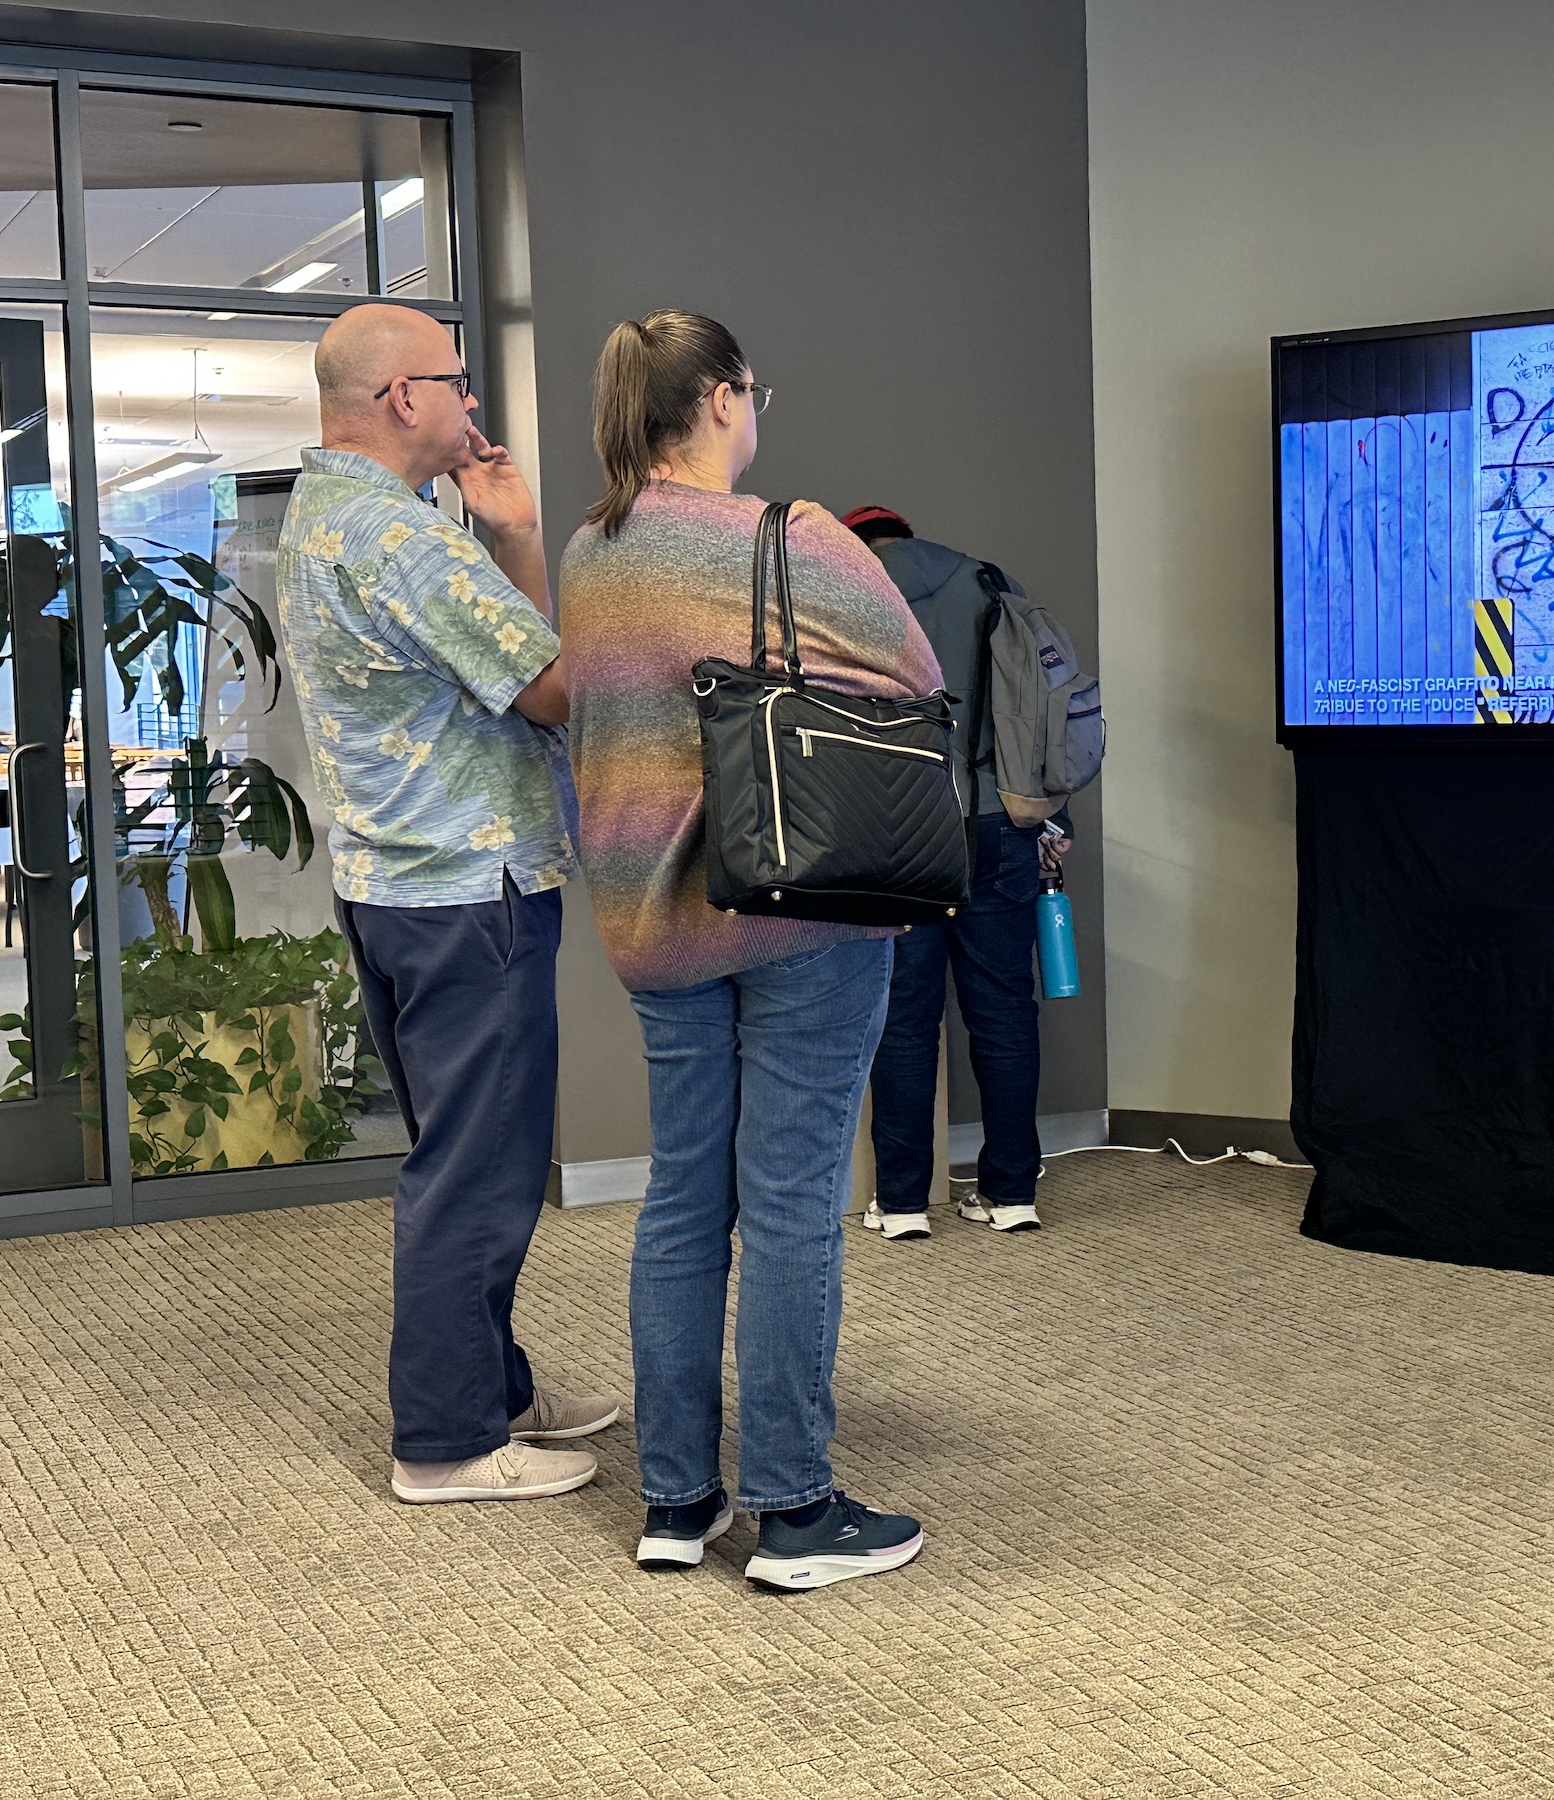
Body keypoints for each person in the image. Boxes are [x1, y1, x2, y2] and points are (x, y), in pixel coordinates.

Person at [560, 310, 937, 1589]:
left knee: (682, 1199)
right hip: (801, 909)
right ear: (721, 400)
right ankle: (794, 1508)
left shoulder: (591, 554)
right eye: (752, 390)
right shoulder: (802, 538)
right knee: (789, 1208)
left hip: (653, 927)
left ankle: (677, 1502)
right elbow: (922, 681)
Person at [278, 303, 615, 1506]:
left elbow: (511, 654)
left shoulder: (337, 516)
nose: (474, 406)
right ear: (403, 397)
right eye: (459, 382)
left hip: (399, 887)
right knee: (477, 1169)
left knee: (465, 1152)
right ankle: (447, 1440)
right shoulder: (398, 543)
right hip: (468, 890)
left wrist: (510, 531)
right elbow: (554, 686)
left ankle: (496, 1385)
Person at [839, 505, 1068, 1240]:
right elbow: (1035, 709)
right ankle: (1011, 1194)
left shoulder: (845, 590)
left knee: (904, 1019)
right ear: (908, 535)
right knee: (1003, 1010)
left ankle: (903, 1204)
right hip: (1000, 822)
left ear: (859, 543)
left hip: (898, 831)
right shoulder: (989, 582)